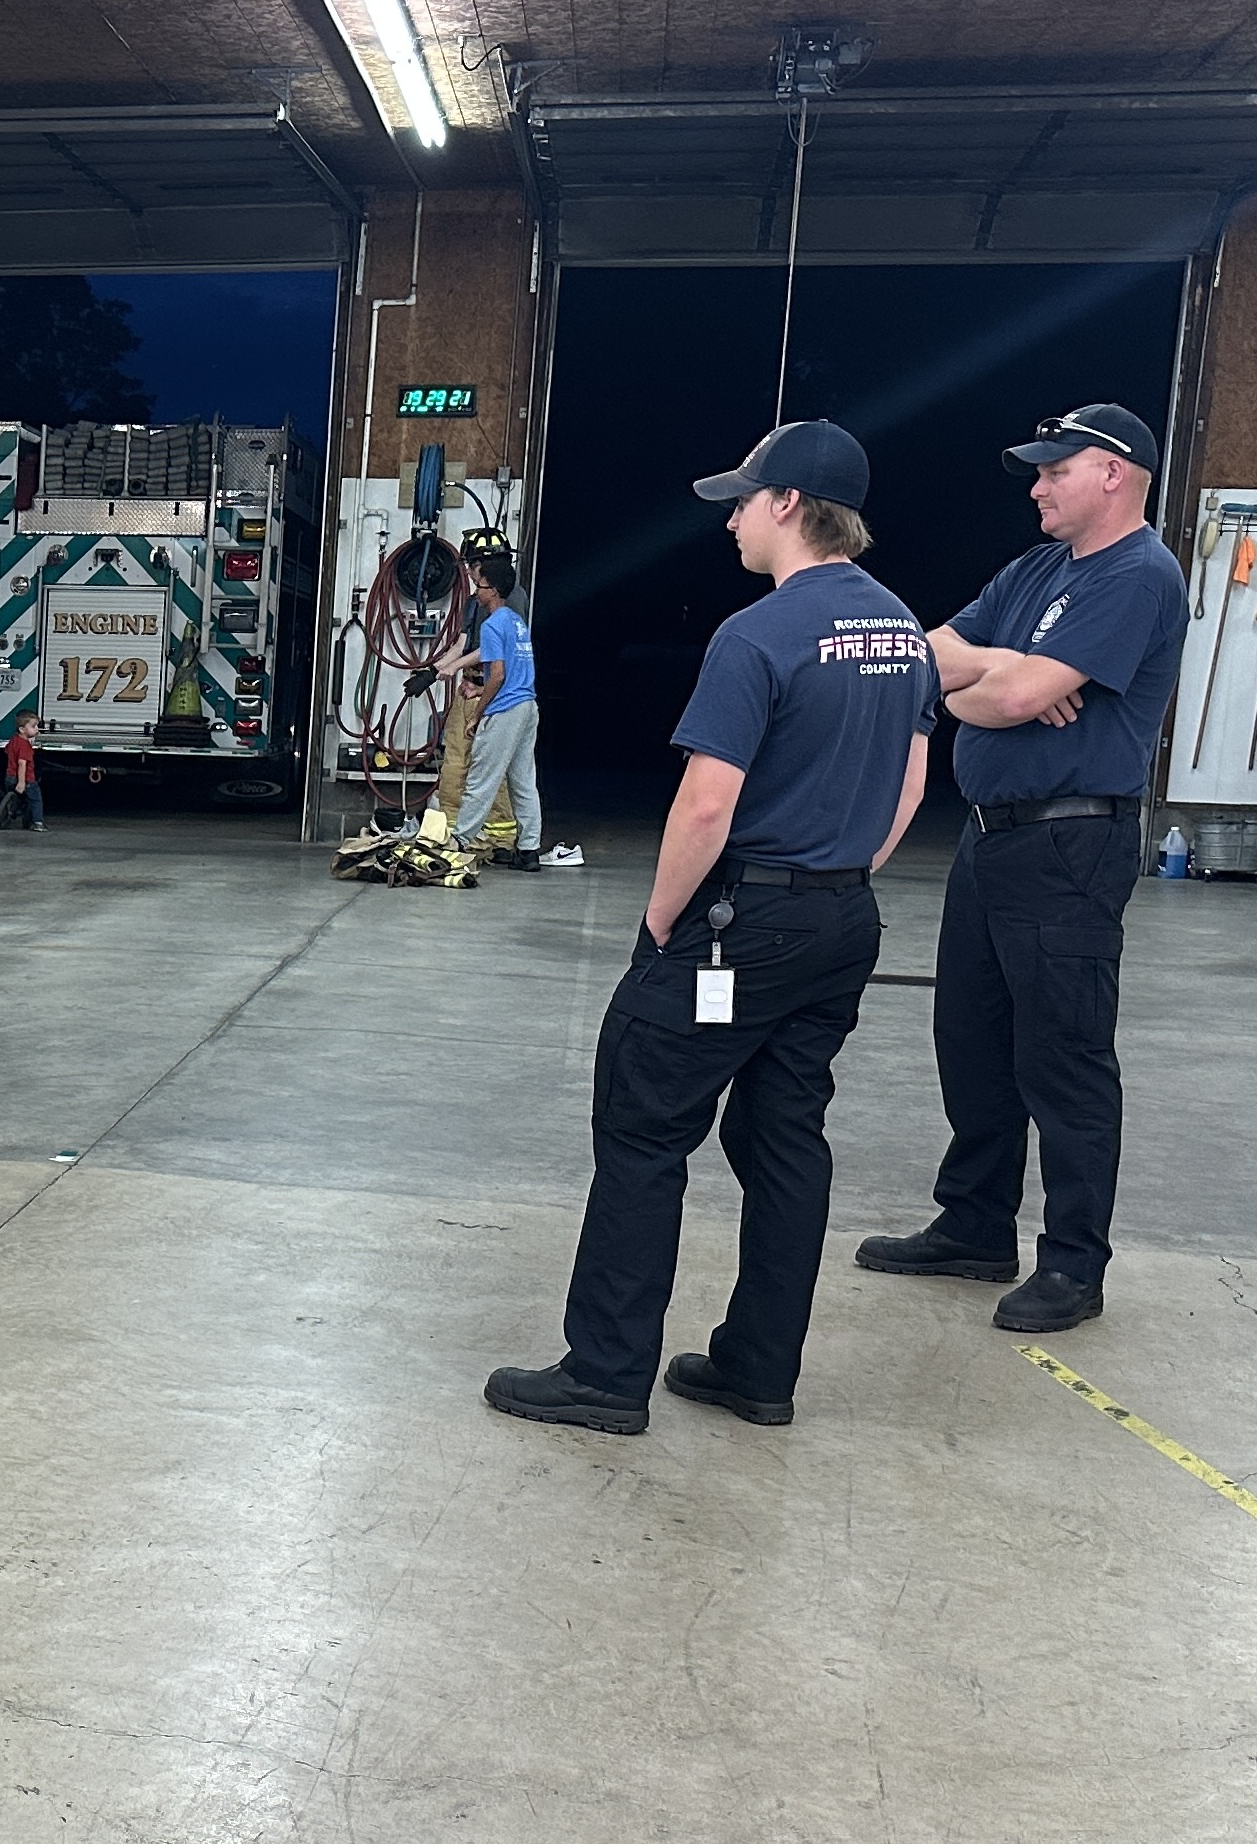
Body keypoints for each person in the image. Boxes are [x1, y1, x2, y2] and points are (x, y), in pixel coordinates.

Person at [485, 419, 932, 1435]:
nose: (730, 521)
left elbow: (704, 806)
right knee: (784, 1137)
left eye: (741, 501)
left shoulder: (758, 634)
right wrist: (836, 877)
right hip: (840, 921)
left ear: (788, 505)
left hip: (741, 919)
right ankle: (757, 1371)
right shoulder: (904, 630)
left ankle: (605, 1375)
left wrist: (659, 925)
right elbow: (909, 784)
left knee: (642, 1126)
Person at [855, 403, 1187, 1336]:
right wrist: (1006, 667)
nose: (1037, 487)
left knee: (1063, 1058)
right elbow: (927, 656)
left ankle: (1074, 1265)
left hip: (1069, 845)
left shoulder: (1137, 575)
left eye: (1054, 470)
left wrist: (1009, 681)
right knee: (972, 1040)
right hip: (991, 838)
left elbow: (1014, 697)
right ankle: (974, 1225)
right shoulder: (1036, 571)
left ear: (1113, 474)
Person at [443, 555, 577, 870]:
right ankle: (529, 850)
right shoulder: (517, 623)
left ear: (494, 590)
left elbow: (498, 676)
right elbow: (514, 674)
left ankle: (458, 842)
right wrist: (479, 690)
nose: (476, 591)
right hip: (527, 707)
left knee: (481, 778)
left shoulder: (492, 625)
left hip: (505, 711)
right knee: (523, 782)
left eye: (480, 585)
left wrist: (477, 713)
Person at [0, 707, 45, 831]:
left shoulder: (14, 740)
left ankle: (10, 811)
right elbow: (22, 764)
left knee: (14, 797)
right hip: (26, 778)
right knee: (35, 799)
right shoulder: (25, 745)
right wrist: (22, 782)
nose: (37, 729)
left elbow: (7, 751)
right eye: (33, 726)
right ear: (22, 729)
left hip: (10, 776)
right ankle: (38, 822)